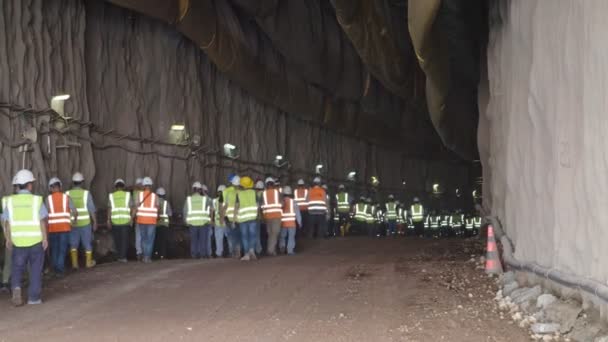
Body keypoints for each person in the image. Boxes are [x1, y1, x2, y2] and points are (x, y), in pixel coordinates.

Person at [2, 169, 48, 306]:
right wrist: (45, 238)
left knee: (17, 268)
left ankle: (16, 287)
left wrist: (8, 239)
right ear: (29, 185)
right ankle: (34, 298)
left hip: (18, 243)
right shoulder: (36, 200)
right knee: (35, 270)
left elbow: (6, 223)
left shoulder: (10, 202)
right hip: (35, 242)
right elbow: (42, 221)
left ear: (17, 185)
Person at [66, 172, 97, 269]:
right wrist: (95, 222)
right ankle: (88, 263)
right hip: (85, 223)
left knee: (73, 244)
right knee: (87, 243)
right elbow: (91, 209)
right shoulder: (86, 194)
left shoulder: (67, 193)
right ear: (82, 182)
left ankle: (75, 264)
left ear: (73, 182)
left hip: (72, 224)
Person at [46, 177, 76, 276]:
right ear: (60, 187)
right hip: (64, 228)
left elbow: (44, 215)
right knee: (62, 249)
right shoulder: (66, 197)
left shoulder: (48, 199)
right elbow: (74, 212)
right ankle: (59, 269)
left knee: (54, 249)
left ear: (50, 188)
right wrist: (72, 221)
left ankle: (55, 268)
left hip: (52, 229)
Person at [184, 182, 212, 259]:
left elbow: (185, 211)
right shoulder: (205, 199)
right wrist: (204, 194)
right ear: (200, 190)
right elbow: (211, 206)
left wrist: (186, 221)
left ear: (193, 189)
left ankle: (194, 255)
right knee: (203, 240)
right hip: (203, 222)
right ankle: (203, 255)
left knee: (194, 240)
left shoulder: (188, 199)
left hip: (192, 223)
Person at [134, 177, 159, 263]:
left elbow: (136, 207)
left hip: (141, 220)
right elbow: (158, 208)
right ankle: (148, 257)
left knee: (143, 239)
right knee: (150, 239)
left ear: (144, 186)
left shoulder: (139, 195)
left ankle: (144, 256)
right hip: (152, 221)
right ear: (151, 185)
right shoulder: (155, 196)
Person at [235, 176, 259, 261]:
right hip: (252, 217)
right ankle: (252, 250)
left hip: (243, 219)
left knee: (245, 236)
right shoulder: (254, 193)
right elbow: (257, 205)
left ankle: (247, 254)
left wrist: (235, 218)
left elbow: (237, 207)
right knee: (252, 235)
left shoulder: (239, 194)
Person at [108, 179, 132, 263]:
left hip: (115, 221)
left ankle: (119, 256)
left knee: (117, 239)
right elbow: (131, 207)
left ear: (115, 187)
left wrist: (108, 220)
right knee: (125, 240)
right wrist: (131, 218)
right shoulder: (128, 195)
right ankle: (123, 257)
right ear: (123, 186)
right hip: (125, 221)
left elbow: (110, 208)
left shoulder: (111, 196)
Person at [261, 177, 282, 255]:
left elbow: (261, 206)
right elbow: (282, 204)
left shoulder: (263, 193)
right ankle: (271, 250)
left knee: (270, 233)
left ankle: (271, 250)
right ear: (273, 184)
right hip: (276, 216)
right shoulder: (277, 193)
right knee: (275, 233)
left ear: (266, 184)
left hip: (267, 216)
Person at [223, 174, 241, 258]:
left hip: (230, 218)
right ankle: (238, 251)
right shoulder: (242, 192)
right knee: (239, 235)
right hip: (241, 217)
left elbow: (223, 205)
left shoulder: (226, 191)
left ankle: (233, 252)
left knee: (231, 236)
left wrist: (222, 217)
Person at [279, 186, 301, 255]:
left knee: (282, 236)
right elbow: (297, 213)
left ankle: (282, 247)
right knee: (291, 237)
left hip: (283, 223)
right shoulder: (294, 202)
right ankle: (290, 250)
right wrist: (300, 222)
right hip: (291, 223)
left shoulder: (281, 202)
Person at [155, 187, 172, 260]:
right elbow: (170, 214)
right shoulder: (166, 203)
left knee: (156, 240)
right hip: (164, 225)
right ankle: (162, 255)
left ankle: (156, 254)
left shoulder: (154, 202)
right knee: (163, 241)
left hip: (156, 224)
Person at [212, 185, 227, 258]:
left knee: (218, 239)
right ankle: (232, 251)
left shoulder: (214, 201)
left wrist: (212, 220)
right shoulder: (227, 200)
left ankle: (219, 253)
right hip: (226, 222)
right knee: (230, 238)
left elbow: (212, 211)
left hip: (218, 223)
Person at [132, 177, 144, 261]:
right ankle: (144, 253)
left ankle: (139, 253)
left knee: (138, 236)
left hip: (138, 216)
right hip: (146, 217)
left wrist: (132, 217)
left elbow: (134, 207)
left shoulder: (135, 193)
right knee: (145, 236)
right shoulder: (146, 193)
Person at [253, 180, 264, 255]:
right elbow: (260, 207)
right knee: (257, 234)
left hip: (251, 216)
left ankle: (253, 249)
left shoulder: (253, 194)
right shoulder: (263, 194)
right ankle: (258, 250)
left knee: (252, 234)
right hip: (259, 216)